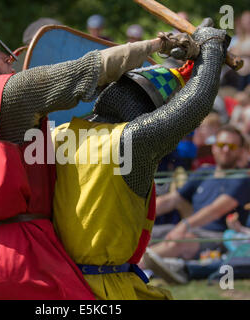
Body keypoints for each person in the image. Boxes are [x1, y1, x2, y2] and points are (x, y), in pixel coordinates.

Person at [0, 21, 188, 299]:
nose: (7, 58)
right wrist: (159, 45)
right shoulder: (9, 93)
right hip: (13, 255)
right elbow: (90, 69)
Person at [51, 24, 229, 299]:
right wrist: (213, 46)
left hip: (56, 282)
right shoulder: (129, 141)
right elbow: (197, 103)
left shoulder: (58, 135)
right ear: (148, 112)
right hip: (102, 289)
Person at [144, 125, 250, 283]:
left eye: (232, 146)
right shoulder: (204, 172)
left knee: (180, 240)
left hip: (219, 237)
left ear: (241, 150)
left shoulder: (242, 179)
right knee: (145, 233)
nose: (226, 150)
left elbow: (215, 210)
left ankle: (133, 268)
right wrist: (138, 217)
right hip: (191, 229)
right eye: (222, 145)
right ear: (214, 147)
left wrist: (184, 226)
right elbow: (172, 200)